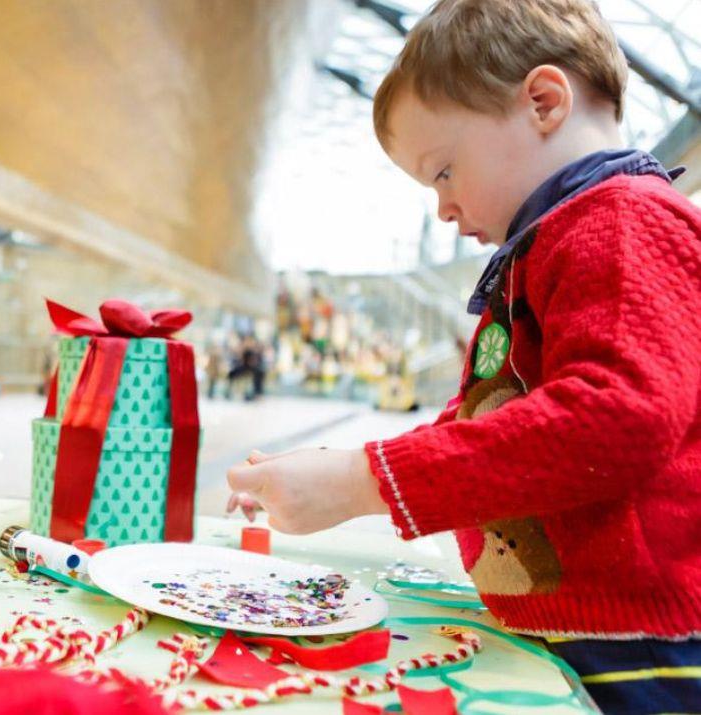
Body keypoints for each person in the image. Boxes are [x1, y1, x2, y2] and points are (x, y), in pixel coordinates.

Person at [227, 1, 701, 711]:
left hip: (640, 650)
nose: (443, 210)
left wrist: (366, 481)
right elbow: (487, 425)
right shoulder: (556, 243)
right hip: (587, 630)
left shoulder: (621, 220)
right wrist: (350, 473)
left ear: (544, 102)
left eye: (444, 170)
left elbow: (617, 415)